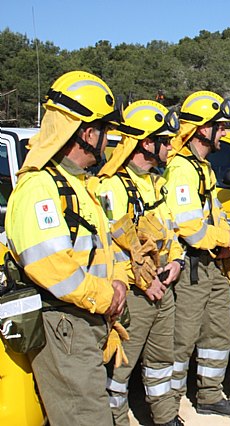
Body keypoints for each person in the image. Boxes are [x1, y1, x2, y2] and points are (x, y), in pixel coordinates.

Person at [5, 70, 128, 425]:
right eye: (105, 130)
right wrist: (106, 295)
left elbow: (103, 247)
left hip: (87, 319)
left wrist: (116, 283)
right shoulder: (39, 188)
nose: (110, 141)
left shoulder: (79, 185)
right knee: (85, 417)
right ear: (87, 133)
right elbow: (49, 263)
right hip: (64, 323)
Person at [97, 100, 183, 426]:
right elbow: (111, 244)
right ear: (147, 143)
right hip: (135, 292)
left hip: (164, 286)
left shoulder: (155, 182)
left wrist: (175, 261)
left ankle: (165, 418)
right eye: (166, 139)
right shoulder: (110, 187)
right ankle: (117, 420)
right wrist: (145, 281)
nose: (171, 145)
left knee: (162, 361)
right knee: (121, 366)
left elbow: (170, 229)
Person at [164, 91, 230, 418]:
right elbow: (190, 230)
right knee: (181, 342)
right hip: (191, 270)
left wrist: (229, 242)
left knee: (218, 333)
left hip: (213, 265)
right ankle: (167, 408)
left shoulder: (203, 167)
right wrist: (227, 238)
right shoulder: (181, 170)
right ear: (201, 129)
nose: (224, 133)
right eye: (220, 127)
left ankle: (210, 395)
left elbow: (213, 215)